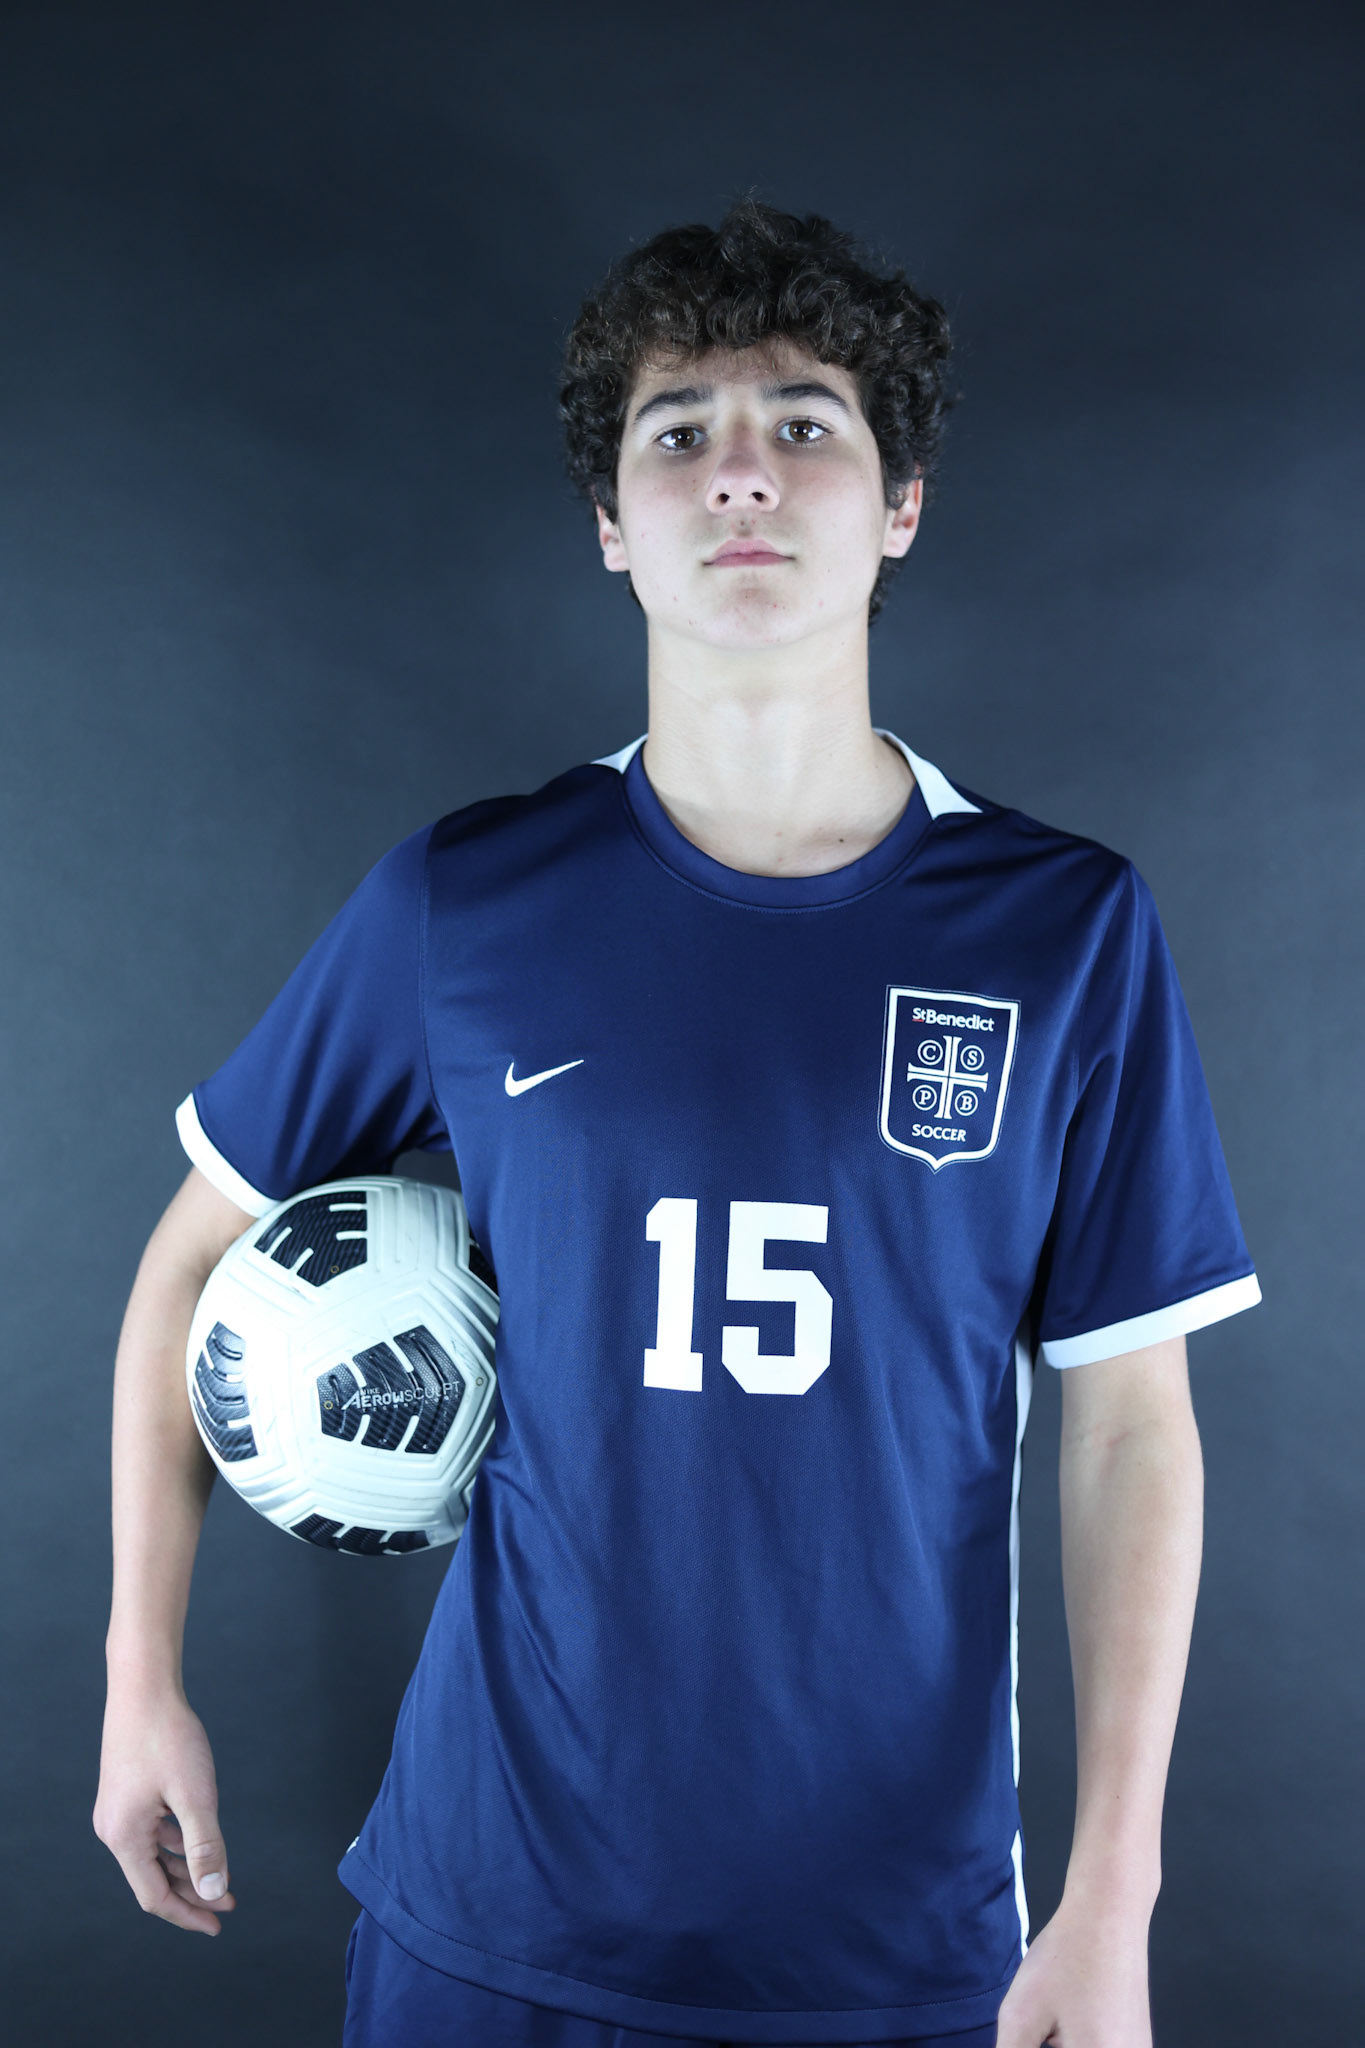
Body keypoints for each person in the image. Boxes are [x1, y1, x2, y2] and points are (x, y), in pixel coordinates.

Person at [94, 200, 1262, 2048]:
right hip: (490, 1921)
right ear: (609, 526)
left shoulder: (1062, 927)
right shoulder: (467, 898)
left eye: (805, 423)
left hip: (898, 1947)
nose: (740, 474)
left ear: (897, 510)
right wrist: (134, 1679)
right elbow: (186, 1259)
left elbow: (1130, 1425)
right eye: (678, 432)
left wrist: (1108, 1903)